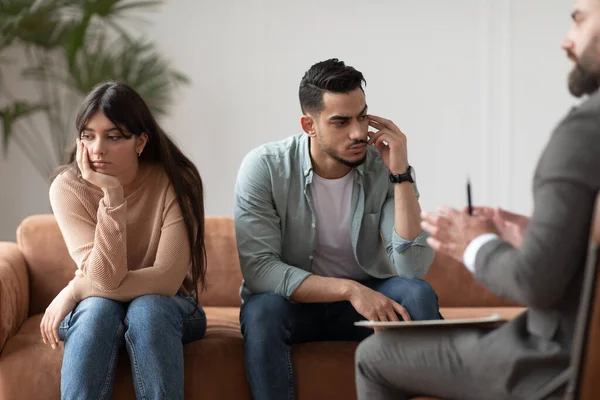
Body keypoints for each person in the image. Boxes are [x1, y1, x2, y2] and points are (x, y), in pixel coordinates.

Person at [354, 1, 600, 399]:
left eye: (578, 19)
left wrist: (476, 244)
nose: (565, 41)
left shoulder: (582, 134)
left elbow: (533, 283)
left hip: (558, 360)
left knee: (375, 356)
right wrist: (536, 233)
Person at [234, 58, 440, 400]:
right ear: (308, 125)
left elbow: (412, 268)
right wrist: (349, 290)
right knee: (261, 311)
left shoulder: (383, 167)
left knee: (417, 295)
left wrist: (400, 174)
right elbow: (260, 271)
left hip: (367, 299)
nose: (359, 133)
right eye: (341, 122)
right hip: (295, 305)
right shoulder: (265, 167)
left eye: (362, 117)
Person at [40, 82, 207, 400]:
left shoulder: (175, 181)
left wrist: (75, 289)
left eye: (113, 136)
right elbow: (104, 279)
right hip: (99, 308)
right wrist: (112, 197)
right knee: (98, 311)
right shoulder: (67, 187)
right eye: (88, 135)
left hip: (170, 306)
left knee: (148, 309)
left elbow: (167, 280)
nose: (97, 148)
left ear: (140, 142)